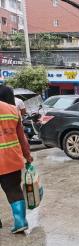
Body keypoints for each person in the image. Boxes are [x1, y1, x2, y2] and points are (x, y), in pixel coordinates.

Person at [0, 85, 33, 232]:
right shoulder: (13, 110)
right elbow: (22, 138)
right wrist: (28, 155)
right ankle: (20, 221)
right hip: (11, 158)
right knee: (14, 189)